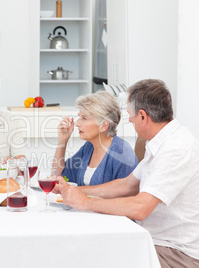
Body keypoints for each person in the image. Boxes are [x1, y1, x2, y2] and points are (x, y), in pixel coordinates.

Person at [54, 79, 199, 268]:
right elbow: (127, 185)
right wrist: (78, 191)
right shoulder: (159, 142)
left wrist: (86, 201)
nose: (129, 122)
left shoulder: (176, 148)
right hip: (150, 240)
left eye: (130, 118)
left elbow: (140, 207)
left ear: (143, 116)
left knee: (90, 256)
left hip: (173, 252)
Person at [52, 91, 138, 186]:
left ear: (104, 125)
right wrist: (62, 140)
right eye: (79, 116)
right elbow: (57, 176)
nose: (77, 124)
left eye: (84, 118)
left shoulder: (122, 152)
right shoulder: (89, 147)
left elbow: (127, 195)